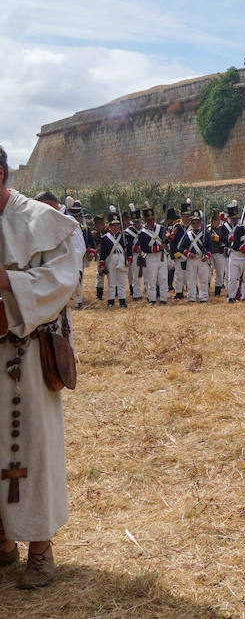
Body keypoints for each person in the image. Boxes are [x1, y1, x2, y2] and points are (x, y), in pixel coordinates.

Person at [0, 145, 81, 590]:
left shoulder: (41, 220)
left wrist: (8, 283)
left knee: (29, 448)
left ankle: (39, 547)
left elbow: (62, 279)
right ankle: (3, 538)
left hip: (25, 357)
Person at [175, 212, 212, 303]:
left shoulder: (205, 234)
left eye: (197, 223)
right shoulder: (187, 234)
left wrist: (207, 256)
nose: (196, 225)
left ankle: (203, 297)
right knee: (191, 279)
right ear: (191, 223)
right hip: (191, 260)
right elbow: (181, 248)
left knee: (203, 279)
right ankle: (191, 297)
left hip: (202, 259)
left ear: (200, 223)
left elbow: (210, 248)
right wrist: (188, 254)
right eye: (194, 223)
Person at [136, 205, 169, 305]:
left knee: (163, 278)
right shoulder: (142, 233)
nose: (151, 221)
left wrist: (171, 236)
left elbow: (167, 240)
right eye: (148, 220)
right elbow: (145, 248)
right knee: (151, 279)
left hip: (162, 256)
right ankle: (152, 299)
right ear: (145, 220)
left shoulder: (161, 228)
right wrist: (159, 247)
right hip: (150, 257)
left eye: (152, 219)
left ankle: (163, 298)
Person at [98, 214, 129, 307]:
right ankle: (110, 300)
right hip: (111, 259)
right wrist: (101, 264)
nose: (116, 227)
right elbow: (103, 253)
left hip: (121, 258)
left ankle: (122, 300)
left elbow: (128, 249)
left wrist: (129, 258)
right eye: (113, 225)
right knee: (111, 281)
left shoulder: (124, 236)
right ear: (110, 226)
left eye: (117, 225)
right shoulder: (105, 238)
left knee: (121, 280)